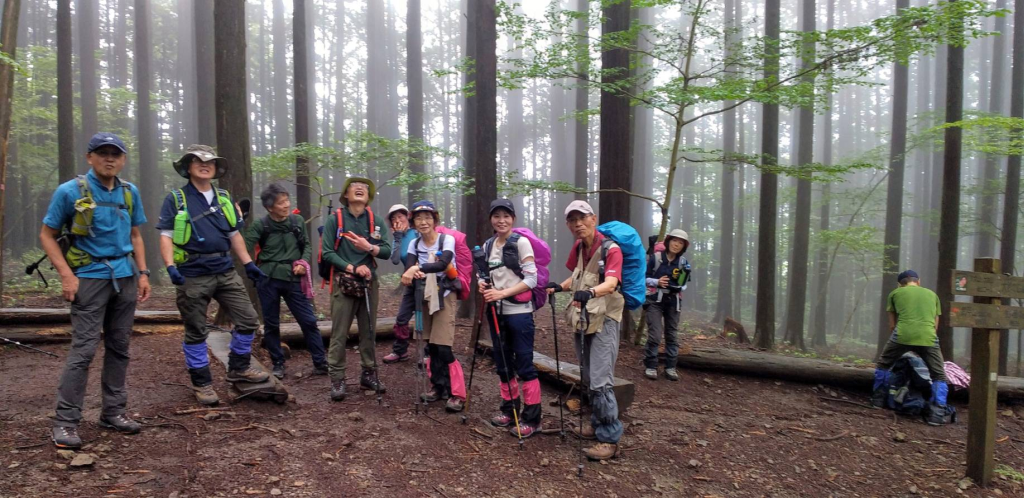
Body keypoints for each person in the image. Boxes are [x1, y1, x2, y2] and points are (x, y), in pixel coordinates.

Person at [40, 132, 151, 449]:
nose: (109, 158)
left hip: (125, 276)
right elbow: (47, 235)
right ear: (89, 157)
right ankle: (65, 423)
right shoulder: (69, 192)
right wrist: (66, 275)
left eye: (115, 153)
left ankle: (113, 413)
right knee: (84, 351)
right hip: (88, 277)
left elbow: (136, 235)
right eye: (102, 153)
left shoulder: (129, 192)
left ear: (123, 159)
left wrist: (143, 273)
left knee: (119, 347)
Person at [156, 144, 269, 407]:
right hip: (192, 274)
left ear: (216, 168)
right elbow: (166, 235)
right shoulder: (176, 199)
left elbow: (234, 234)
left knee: (248, 320)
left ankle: (239, 367)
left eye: (210, 162)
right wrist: (170, 266)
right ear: (188, 166)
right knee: (196, 330)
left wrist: (249, 264)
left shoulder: (224, 198)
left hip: (225, 270)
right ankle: (202, 382)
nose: (204, 165)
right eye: (197, 161)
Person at [546, 200, 624, 461]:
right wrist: (560, 286)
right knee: (589, 375)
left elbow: (611, 283)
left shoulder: (611, 249)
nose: (577, 224)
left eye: (582, 218)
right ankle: (598, 422)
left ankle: (609, 438)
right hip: (585, 318)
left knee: (601, 380)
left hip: (605, 320)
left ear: (594, 218)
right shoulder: (580, 247)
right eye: (572, 220)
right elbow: (579, 276)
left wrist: (589, 292)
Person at [244, 183, 326, 379]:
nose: (286, 205)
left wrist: (303, 263)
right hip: (268, 279)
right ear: (269, 207)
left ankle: (320, 362)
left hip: (293, 278)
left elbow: (306, 245)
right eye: (281, 203)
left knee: (308, 321)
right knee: (272, 324)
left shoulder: (297, 221)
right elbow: (245, 245)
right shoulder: (260, 225)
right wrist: (252, 267)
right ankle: (278, 363)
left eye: (287, 200)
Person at [321, 177, 391, 401]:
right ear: (346, 193)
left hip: (369, 283)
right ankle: (337, 378)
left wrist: (368, 247)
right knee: (340, 332)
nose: (359, 188)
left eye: (364, 187)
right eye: (353, 185)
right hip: (344, 283)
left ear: (368, 195)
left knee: (369, 330)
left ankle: (368, 373)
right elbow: (327, 252)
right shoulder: (336, 220)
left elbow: (387, 250)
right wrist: (352, 267)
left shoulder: (377, 221)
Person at [479, 199, 542, 437]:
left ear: (513, 219)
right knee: (503, 365)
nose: (501, 220)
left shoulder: (521, 243)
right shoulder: (488, 245)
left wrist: (502, 293)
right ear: (491, 220)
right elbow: (483, 273)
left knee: (525, 365)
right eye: (497, 216)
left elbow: (532, 279)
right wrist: (481, 284)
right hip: (495, 311)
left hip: (519, 313)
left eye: (506, 216)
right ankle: (510, 410)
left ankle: (532, 419)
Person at [401, 200, 466, 412]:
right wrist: (414, 270)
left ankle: (457, 393)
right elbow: (409, 266)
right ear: (413, 223)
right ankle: (438, 387)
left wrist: (416, 269)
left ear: (435, 220)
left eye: (428, 217)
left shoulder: (446, 240)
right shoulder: (414, 243)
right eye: (419, 218)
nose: (423, 222)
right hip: (425, 295)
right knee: (430, 345)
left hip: (445, 294)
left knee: (444, 346)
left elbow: (442, 263)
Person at [871, 270, 950, 425]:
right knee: (939, 375)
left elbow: (892, 325)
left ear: (900, 284)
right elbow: (935, 325)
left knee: (883, 364)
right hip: (928, 336)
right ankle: (937, 413)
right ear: (918, 281)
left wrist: (899, 342)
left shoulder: (895, 294)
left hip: (902, 335)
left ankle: (878, 401)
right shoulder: (932, 295)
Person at [642, 229, 691, 381]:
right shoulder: (655, 258)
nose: (676, 244)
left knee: (672, 335)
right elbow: (643, 277)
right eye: (674, 241)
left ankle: (670, 367)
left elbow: (684, 285)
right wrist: (657, 282)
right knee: (655, 335)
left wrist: (678, 286)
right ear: (668, 241)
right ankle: (651, 365)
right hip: (655, 299)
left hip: (673, 301)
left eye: (680, 242)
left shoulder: (683, 263)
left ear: (684, 246)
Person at [383, 204, 417, 364]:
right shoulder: (398, 238)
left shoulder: (417, 232)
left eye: (400, 216)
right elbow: (395, 260)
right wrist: (397, 237)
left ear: (408, 216)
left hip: (427, 281)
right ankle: (400, 351)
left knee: (425, 317)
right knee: (402, 318)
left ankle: (428, 353)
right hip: (409, 283)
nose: (397, 220)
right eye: (394, 218)